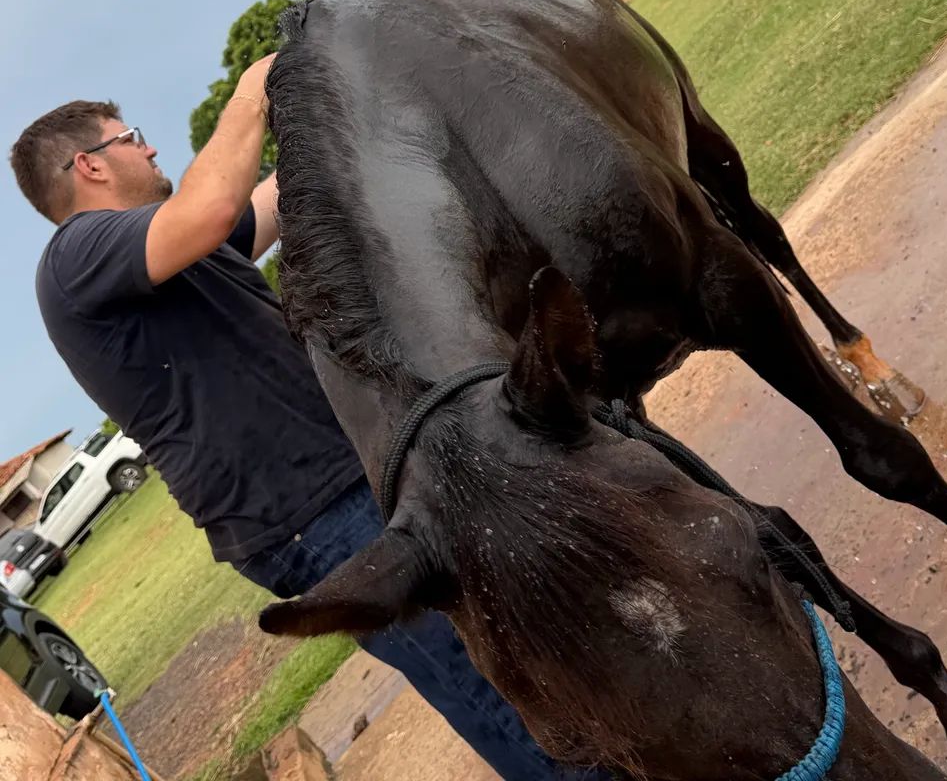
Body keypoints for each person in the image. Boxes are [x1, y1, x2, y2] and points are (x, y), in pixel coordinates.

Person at [11, 56, 605, 781]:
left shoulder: (160, 257)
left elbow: (262, 206)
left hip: (348, 477)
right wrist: (250, 92)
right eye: (130, 136)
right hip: (308, 514)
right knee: (476, 675)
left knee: (503, 643)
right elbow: (204, 213)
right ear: (89, 166)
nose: (151, 146)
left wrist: (324, 101)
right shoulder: (78, 254)